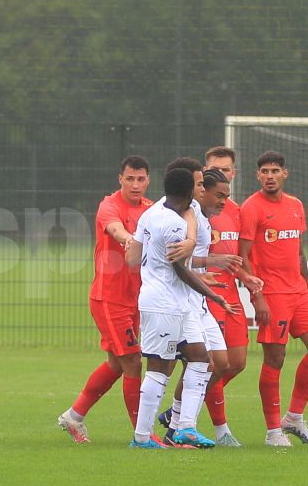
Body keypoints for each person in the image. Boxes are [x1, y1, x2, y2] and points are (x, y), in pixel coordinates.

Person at [125, 167, 236, 449]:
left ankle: (184, 427)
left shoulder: (152, 213)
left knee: (200, 358)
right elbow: (181, 272)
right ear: (188, 191)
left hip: (176, 302)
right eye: (198, 185)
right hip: (164, 303)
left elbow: (132, 258)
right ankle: (141, 438)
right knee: (159, 368)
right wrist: (215, 296)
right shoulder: (172, 224)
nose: (202, 189)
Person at [57, 156, 153, 444]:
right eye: (130, 179)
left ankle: (74, 416)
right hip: (110, 299)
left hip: (137, 299)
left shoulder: (151, 209)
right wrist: (128, 239)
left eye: (141, 179)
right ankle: (143, 434)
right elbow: (114, 228)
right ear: (120, 179)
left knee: (116, 363)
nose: (135, 184)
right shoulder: (109, 205)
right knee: (133, 362)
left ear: (148, 181)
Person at [239, 151, 308, 447]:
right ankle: (272, 432)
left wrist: (307, 287)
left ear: (284, 174)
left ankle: (293, 417)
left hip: (299, 292)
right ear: (258, 176)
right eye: (264, 171)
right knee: (275, 358)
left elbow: (300, 251)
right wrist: (258, 297)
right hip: (272, 293)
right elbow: (243, 257)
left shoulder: (295, 205)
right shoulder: (251, 208)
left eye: (274, 170)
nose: (269, 176)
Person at [199, 146, 257, 446]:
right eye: (215, 169)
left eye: (226, 170)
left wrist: (246, 277)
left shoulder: (237, 211)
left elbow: (236, 258)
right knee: (215, 363)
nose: (221, 173)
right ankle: (221, 431)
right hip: (206, 295)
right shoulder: (195, 211)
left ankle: (183, 406)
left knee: (237, 362)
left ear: (233, 173)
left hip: (231, 295)